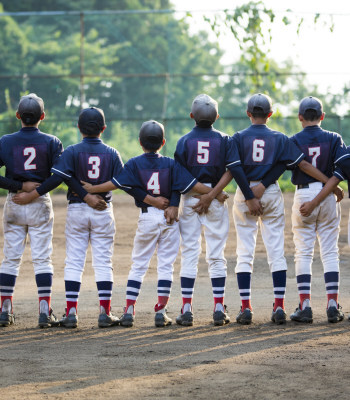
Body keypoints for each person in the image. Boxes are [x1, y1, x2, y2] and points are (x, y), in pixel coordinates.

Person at [82, 120, 229, 327]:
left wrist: (93, 188)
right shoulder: (171, 163)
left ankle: (129, 310)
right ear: (163, 142)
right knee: (166, 266)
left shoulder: (133, 163)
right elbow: (190, 185)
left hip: (147, 217)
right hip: (169, 217)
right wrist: (215, 193)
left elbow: (115, 184)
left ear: (140, 142)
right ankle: (161, 311)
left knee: (139, 265)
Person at [13, 107, 131, 328]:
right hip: (103, 208)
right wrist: (95, 191)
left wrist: (32, 194)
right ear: (104, 129)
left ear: (79, 128)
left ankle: (71, 312)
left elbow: (60, 177)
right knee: (103, 262)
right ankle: (105, 312)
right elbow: (122, 181)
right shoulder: (113, 153)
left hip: (77, 208)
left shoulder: (72, 151)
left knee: (74, 261)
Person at [224, 93, 333, 325]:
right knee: (276, 250)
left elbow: (235, 167)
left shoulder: (237, 137)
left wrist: (250, 194)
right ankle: (280, 307)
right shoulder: (281, 138)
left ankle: (246, 308)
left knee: (245, 250)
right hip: (270, 192)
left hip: (245, 192)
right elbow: (290, 163)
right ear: (270, 114)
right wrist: (262, 187)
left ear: (248, 113)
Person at [173, 94, 262, 327]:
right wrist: (213, 194)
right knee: (216, 254)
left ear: (192, 116)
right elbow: (232, 170)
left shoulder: (183, 141)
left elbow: (179, 177)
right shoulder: (225, 139)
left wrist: (202, 195)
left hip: (190, 198)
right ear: (217, 117)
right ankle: (219, 308)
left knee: (190, 253)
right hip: (216, 197)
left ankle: (186, 308)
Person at [284, 97, 349, 323]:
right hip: (328, 194)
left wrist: (314, 200)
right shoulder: (333, 138)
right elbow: (341, 168)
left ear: (300, 117)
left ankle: (305, 305)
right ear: (322, 116)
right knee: (330, 250)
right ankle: (332, 304)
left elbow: (300, 164)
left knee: (303, 251)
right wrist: (334, 187)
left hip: (303, 195)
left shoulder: (293, 140)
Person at [0, 93, 63, 328]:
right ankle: (45, 311)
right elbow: (60, 176)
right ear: (42, 116)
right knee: (42, 258)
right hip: (39, 202)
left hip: (15, 201)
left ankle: (5, 310)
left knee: (10, 258)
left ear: (18, 116)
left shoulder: (5, 141)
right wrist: (34, 192)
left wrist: (19, 187)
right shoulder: (52, 141)